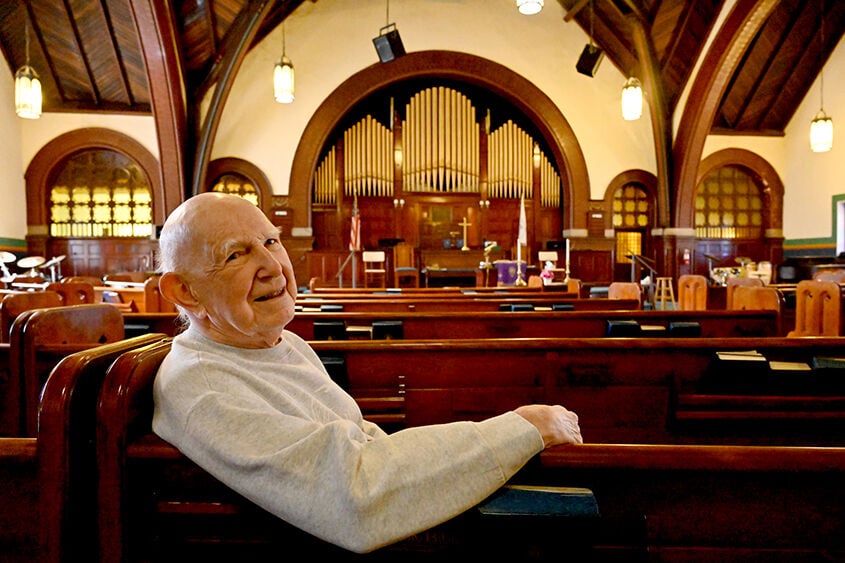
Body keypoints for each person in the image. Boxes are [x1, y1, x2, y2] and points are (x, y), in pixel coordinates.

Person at [152, 192, 583, 554]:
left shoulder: (281, 342)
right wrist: (522, 429)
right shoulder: (202, 388)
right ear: (184, 291)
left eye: (271, 241)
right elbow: (356, 495)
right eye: (235, 254)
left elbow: (358, 441)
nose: (271, 265)